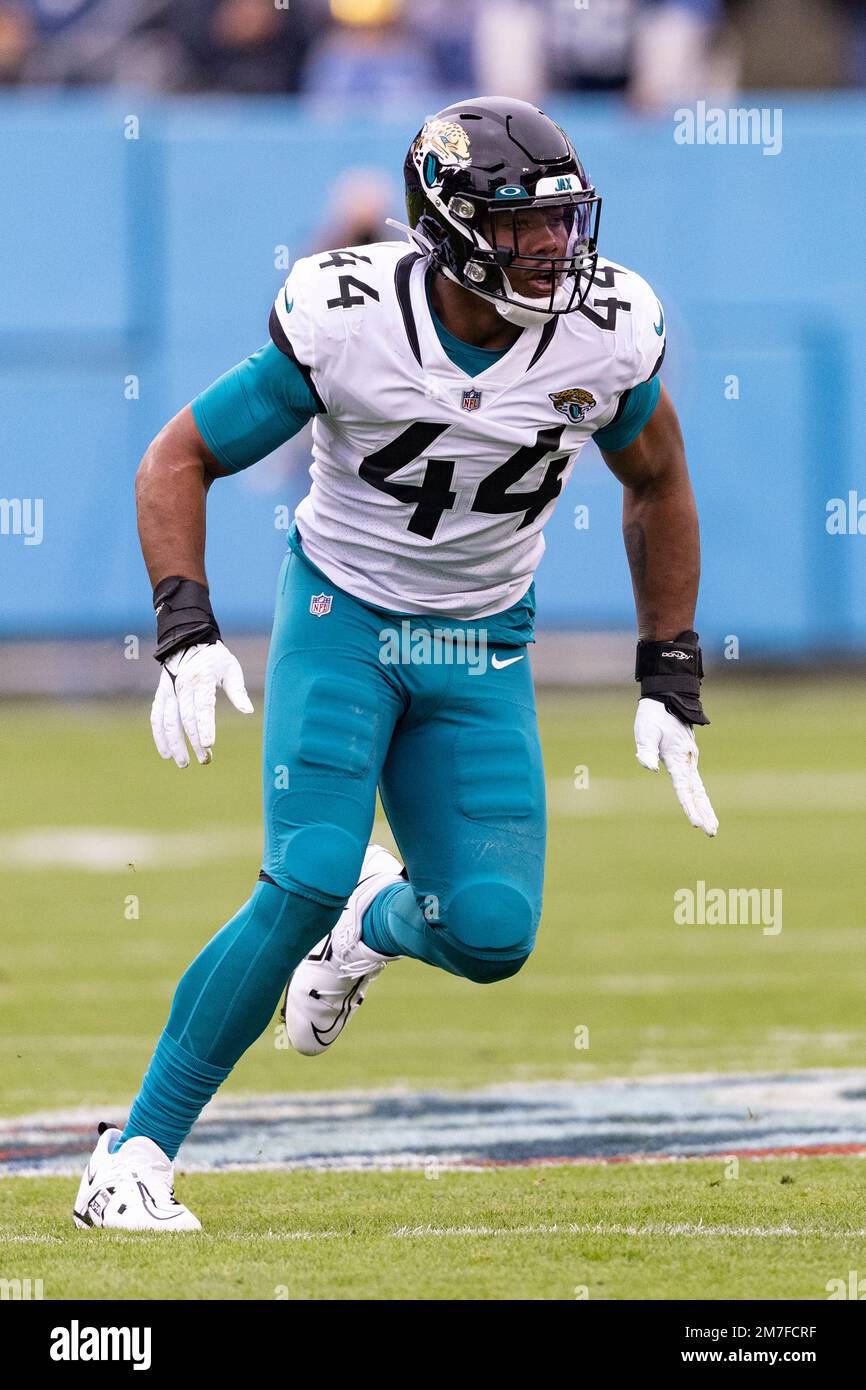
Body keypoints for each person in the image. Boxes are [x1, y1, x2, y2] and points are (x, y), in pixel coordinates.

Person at [73, 95, 717, 1231]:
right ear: (450, 225)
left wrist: (667, 663)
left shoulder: (607, 329)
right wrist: (184, 627)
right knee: (306, 867)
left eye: (563, 222)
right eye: (522, 226)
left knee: (490, 933)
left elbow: (656, 481)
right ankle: (133, 1154)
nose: (554, 248)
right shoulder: (350, 315)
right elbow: (178, 456)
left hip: (481, 644)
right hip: (344, 617)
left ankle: (369, 926)